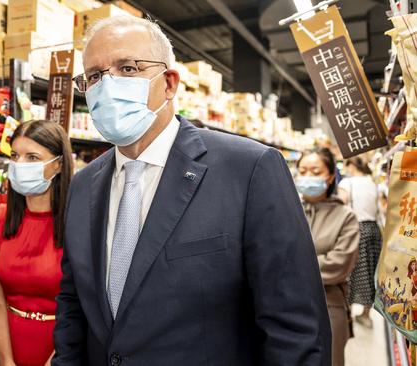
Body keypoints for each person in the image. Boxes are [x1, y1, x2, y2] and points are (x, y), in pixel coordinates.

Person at [53, 16, 332, 366]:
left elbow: (295, 327)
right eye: (94, 76)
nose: (107, 86)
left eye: (127, 68)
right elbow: (73, 303)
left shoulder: (249, 169)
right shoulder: (83, 185)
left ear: (169, 84)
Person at [0, 120, 73, 366]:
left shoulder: (77, 223)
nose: (19, 165)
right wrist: (5, 361)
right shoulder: (1, 220)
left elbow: (86, 303)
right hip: (8, 347)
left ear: (58, 164)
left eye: (32, 157)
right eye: (15, 156)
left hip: (61, 350)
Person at [296, 148, 360, 366]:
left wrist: (291, 267)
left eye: (315, 171)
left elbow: (339, 265)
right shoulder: (286, 210)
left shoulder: (345, 217)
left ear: (331, 176)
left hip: (329, 305)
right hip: (287, 305)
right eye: (302, 170)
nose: (307, 177)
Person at [338, 157, 383, 328]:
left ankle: (346, 313)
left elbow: (340, 204)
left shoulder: (347, 183)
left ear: (350, 165)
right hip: (373, 230)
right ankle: (366, 315)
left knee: (347, 271)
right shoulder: (372, 183)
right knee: (370, 272)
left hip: (354, 228)